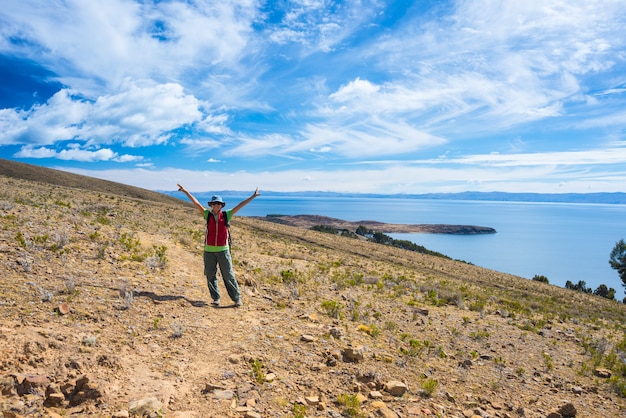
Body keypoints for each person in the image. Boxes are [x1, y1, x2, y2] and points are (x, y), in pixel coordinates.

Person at [177, 184, 260, 307]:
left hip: (223, 251)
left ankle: (236, 298)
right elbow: (196, 203)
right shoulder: (207, 215)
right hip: (209, 250)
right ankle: (216, 298)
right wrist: (186, 192)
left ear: (221, 205)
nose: (216, 205)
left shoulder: (227, 215)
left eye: (219, 204)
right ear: (211, 205)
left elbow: (240, 205)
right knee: (210, 275)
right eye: (214, 203)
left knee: (228, 274)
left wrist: (252, 196)